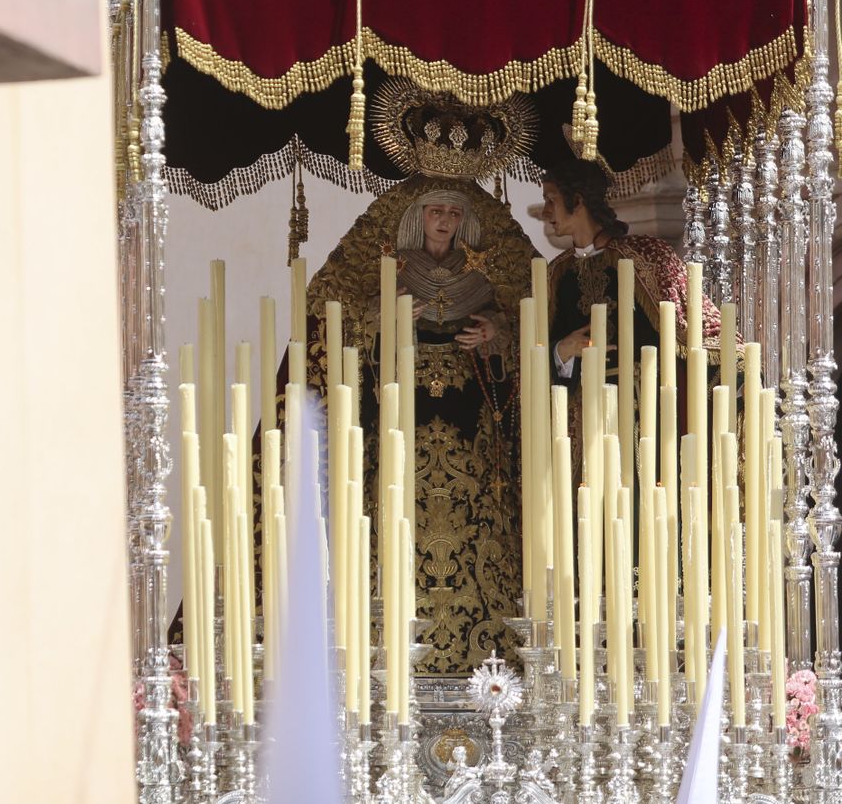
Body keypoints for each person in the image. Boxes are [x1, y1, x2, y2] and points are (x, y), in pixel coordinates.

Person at [304, 176, 534, 675]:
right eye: (436, 211)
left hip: (469, 418)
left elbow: (527, 322)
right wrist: (388, 319)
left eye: (454, 212)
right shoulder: (391, 268)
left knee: (480, 514)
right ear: (418, 216)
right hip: (401, 414)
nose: (445, 221)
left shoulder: (482, 272)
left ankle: (487, 643)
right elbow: (337, 316)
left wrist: (495, 332)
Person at [541, 158, 725, 394]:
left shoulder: (646, 256)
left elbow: (698, 328)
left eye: (550, 200)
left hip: (644, 406)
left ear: (577, 201)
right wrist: (561, 351)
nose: (545, 212)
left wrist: (739, 372)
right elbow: (538, 351)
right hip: (582, 411)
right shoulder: (558, 272)